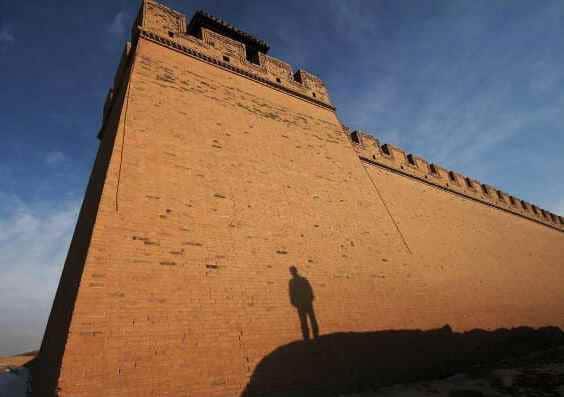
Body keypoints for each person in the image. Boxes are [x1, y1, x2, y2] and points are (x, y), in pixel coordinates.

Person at [288, 266, 319, 340]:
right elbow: (292, 293)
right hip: (304, 302)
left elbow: (292, 293)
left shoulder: (294, 281)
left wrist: (294, 302)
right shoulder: (301, 280)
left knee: (306, 319)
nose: (292, 273)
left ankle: (308, 336)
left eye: (292, 271)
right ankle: (312, 335)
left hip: (303, 303)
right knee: (307, 319)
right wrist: (294, 302)